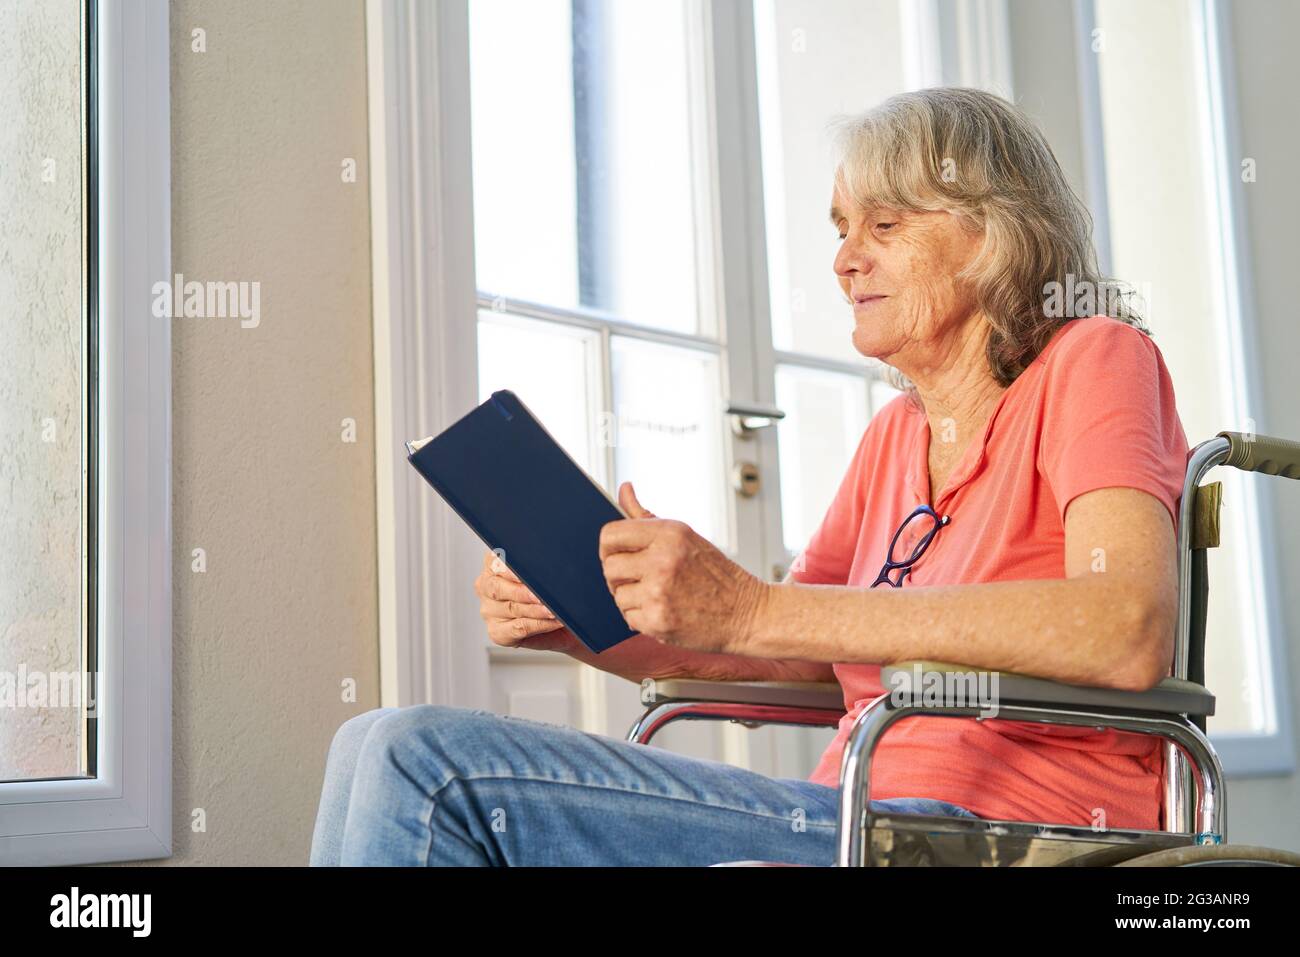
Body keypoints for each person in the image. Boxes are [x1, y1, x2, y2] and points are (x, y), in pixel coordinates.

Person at [310, 87, 1187, 866]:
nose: (845, 259)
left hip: (1001, 828)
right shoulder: (893, 436)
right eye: (841, 229)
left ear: (995, 234)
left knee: (416, 760)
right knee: (367, 741)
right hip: (853, 815)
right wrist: (588, 624)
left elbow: (1126, 624)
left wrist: (752, 603)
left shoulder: (1095, 359)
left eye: (884, 225)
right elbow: (799, 661)